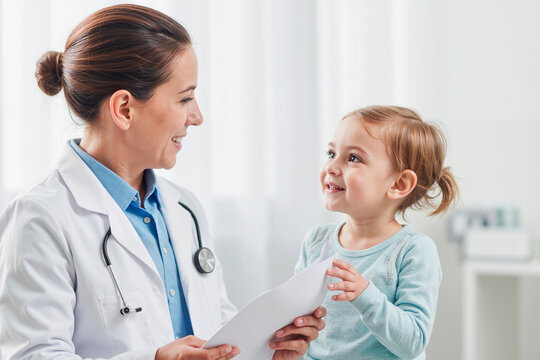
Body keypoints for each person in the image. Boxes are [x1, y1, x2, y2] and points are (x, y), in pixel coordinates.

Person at [0, 4, 325, 360]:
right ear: (124, 109)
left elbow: (216, 331)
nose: (197, 117)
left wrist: (265, 350)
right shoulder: (41, 216)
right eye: (185, 98)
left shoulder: (185, 208)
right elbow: (34, 355)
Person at [295, 105, 458, 359]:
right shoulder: (316, 241)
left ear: (399, 184)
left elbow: (413, 341)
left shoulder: (413, 251)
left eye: (353, 158)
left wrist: (365, 295)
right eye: (331, 153)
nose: (332, 167)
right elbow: (300, 323)